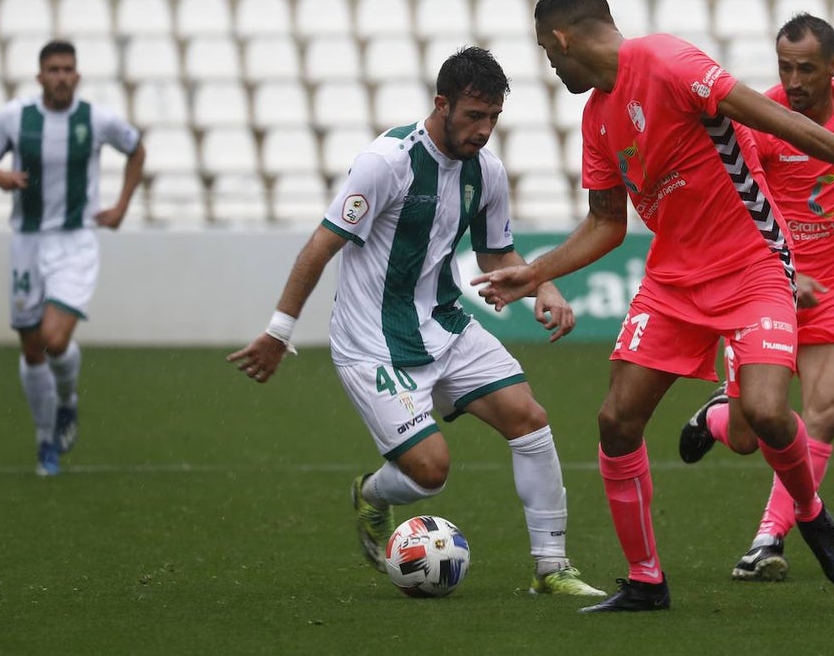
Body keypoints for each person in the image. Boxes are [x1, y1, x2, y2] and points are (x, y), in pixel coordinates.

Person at [472, 0, 834, 613]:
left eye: (546, 52)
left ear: (562, 39)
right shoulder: (597, 118)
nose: (551, 66)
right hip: (673, 282)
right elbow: (607, 223)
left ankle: (808, 512)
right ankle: (646, 581)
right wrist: (534, 273)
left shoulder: (669, 61)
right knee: (616, 421)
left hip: (752, 264)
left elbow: (780, 119)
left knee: (768, 412)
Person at [227, 46, 605, 597]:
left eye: (493, 118)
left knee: (530, 419)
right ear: (441, 104)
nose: (483, 130)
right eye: (474, 116)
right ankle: (372, 495)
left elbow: (496, 253)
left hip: (447, 326)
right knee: (431, 472)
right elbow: (320, 246)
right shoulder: (386, 162)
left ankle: (552, 568)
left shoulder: (487, 171)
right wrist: (279, 330)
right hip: (373, 345)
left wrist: (543, 286)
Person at [679, 14, 834, 583]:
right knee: (754, 433)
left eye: (806, 68)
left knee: (826, 411)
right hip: (767, 285)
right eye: (784, 67)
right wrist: (783, 266)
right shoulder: (763, 118)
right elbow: (734, 201)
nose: (793, 80)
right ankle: (723, 417)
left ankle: (768, 538)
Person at [0, 40, 146, 476]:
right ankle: (45, 441)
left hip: (75, 242)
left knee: (53, 340)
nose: (62, 76)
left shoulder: (95, 118)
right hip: (26, 242)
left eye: (68, 69)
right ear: (40, 77)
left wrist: (122, 205)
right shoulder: (15, 116)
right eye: (53, 69)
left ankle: (67, 401)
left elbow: (136, 149)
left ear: (78, 75)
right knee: (32, 350)